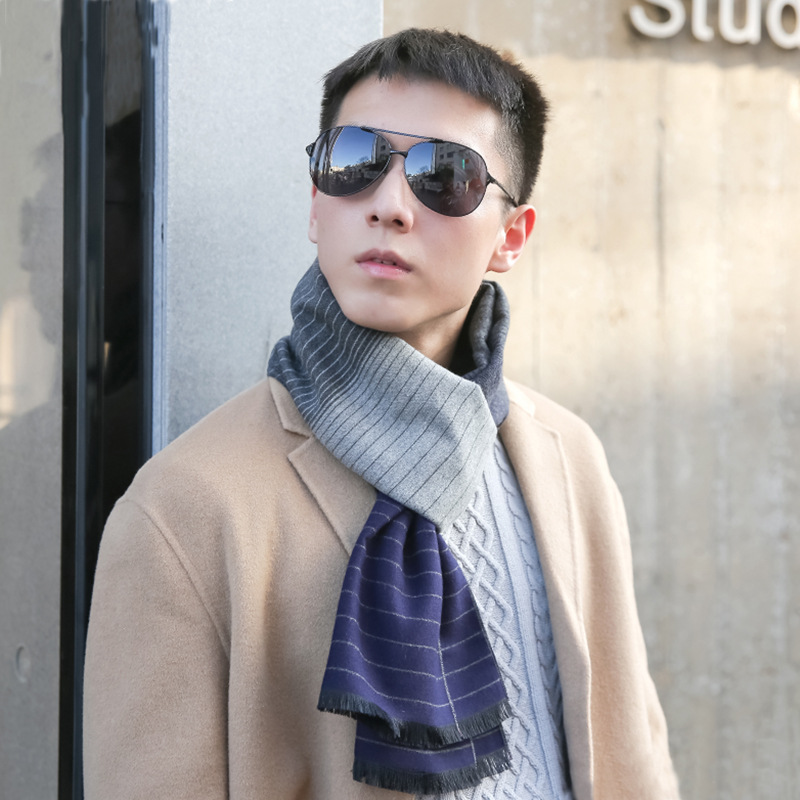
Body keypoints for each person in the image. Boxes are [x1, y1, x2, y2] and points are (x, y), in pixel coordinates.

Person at [83, 28, 681, 800]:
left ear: (510, 237)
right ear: (316, 200)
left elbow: (632, 751)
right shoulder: (186, 508)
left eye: (446, 176)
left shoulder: (567, 456)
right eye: (355, 162)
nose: (390, 206)